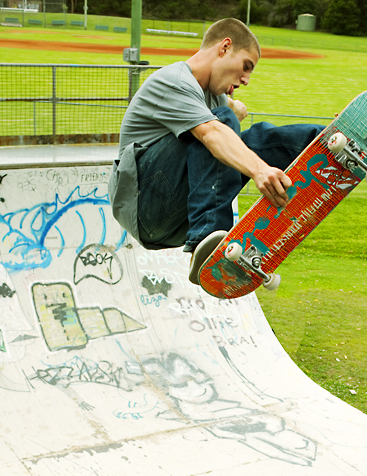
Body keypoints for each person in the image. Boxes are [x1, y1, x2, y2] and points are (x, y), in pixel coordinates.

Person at [108, 19, 325, 284]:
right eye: (246, 67)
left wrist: (233, 111)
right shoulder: (172, 81)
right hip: (144, 207)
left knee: (256, 139)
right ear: (224, 48)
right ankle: (209, 239)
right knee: (222, 123)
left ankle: (325, 140)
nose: (245, 80)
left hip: (177, 218)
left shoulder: (213, 97)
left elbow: (226, 127)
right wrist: (258, 170)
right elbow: (212, 132)